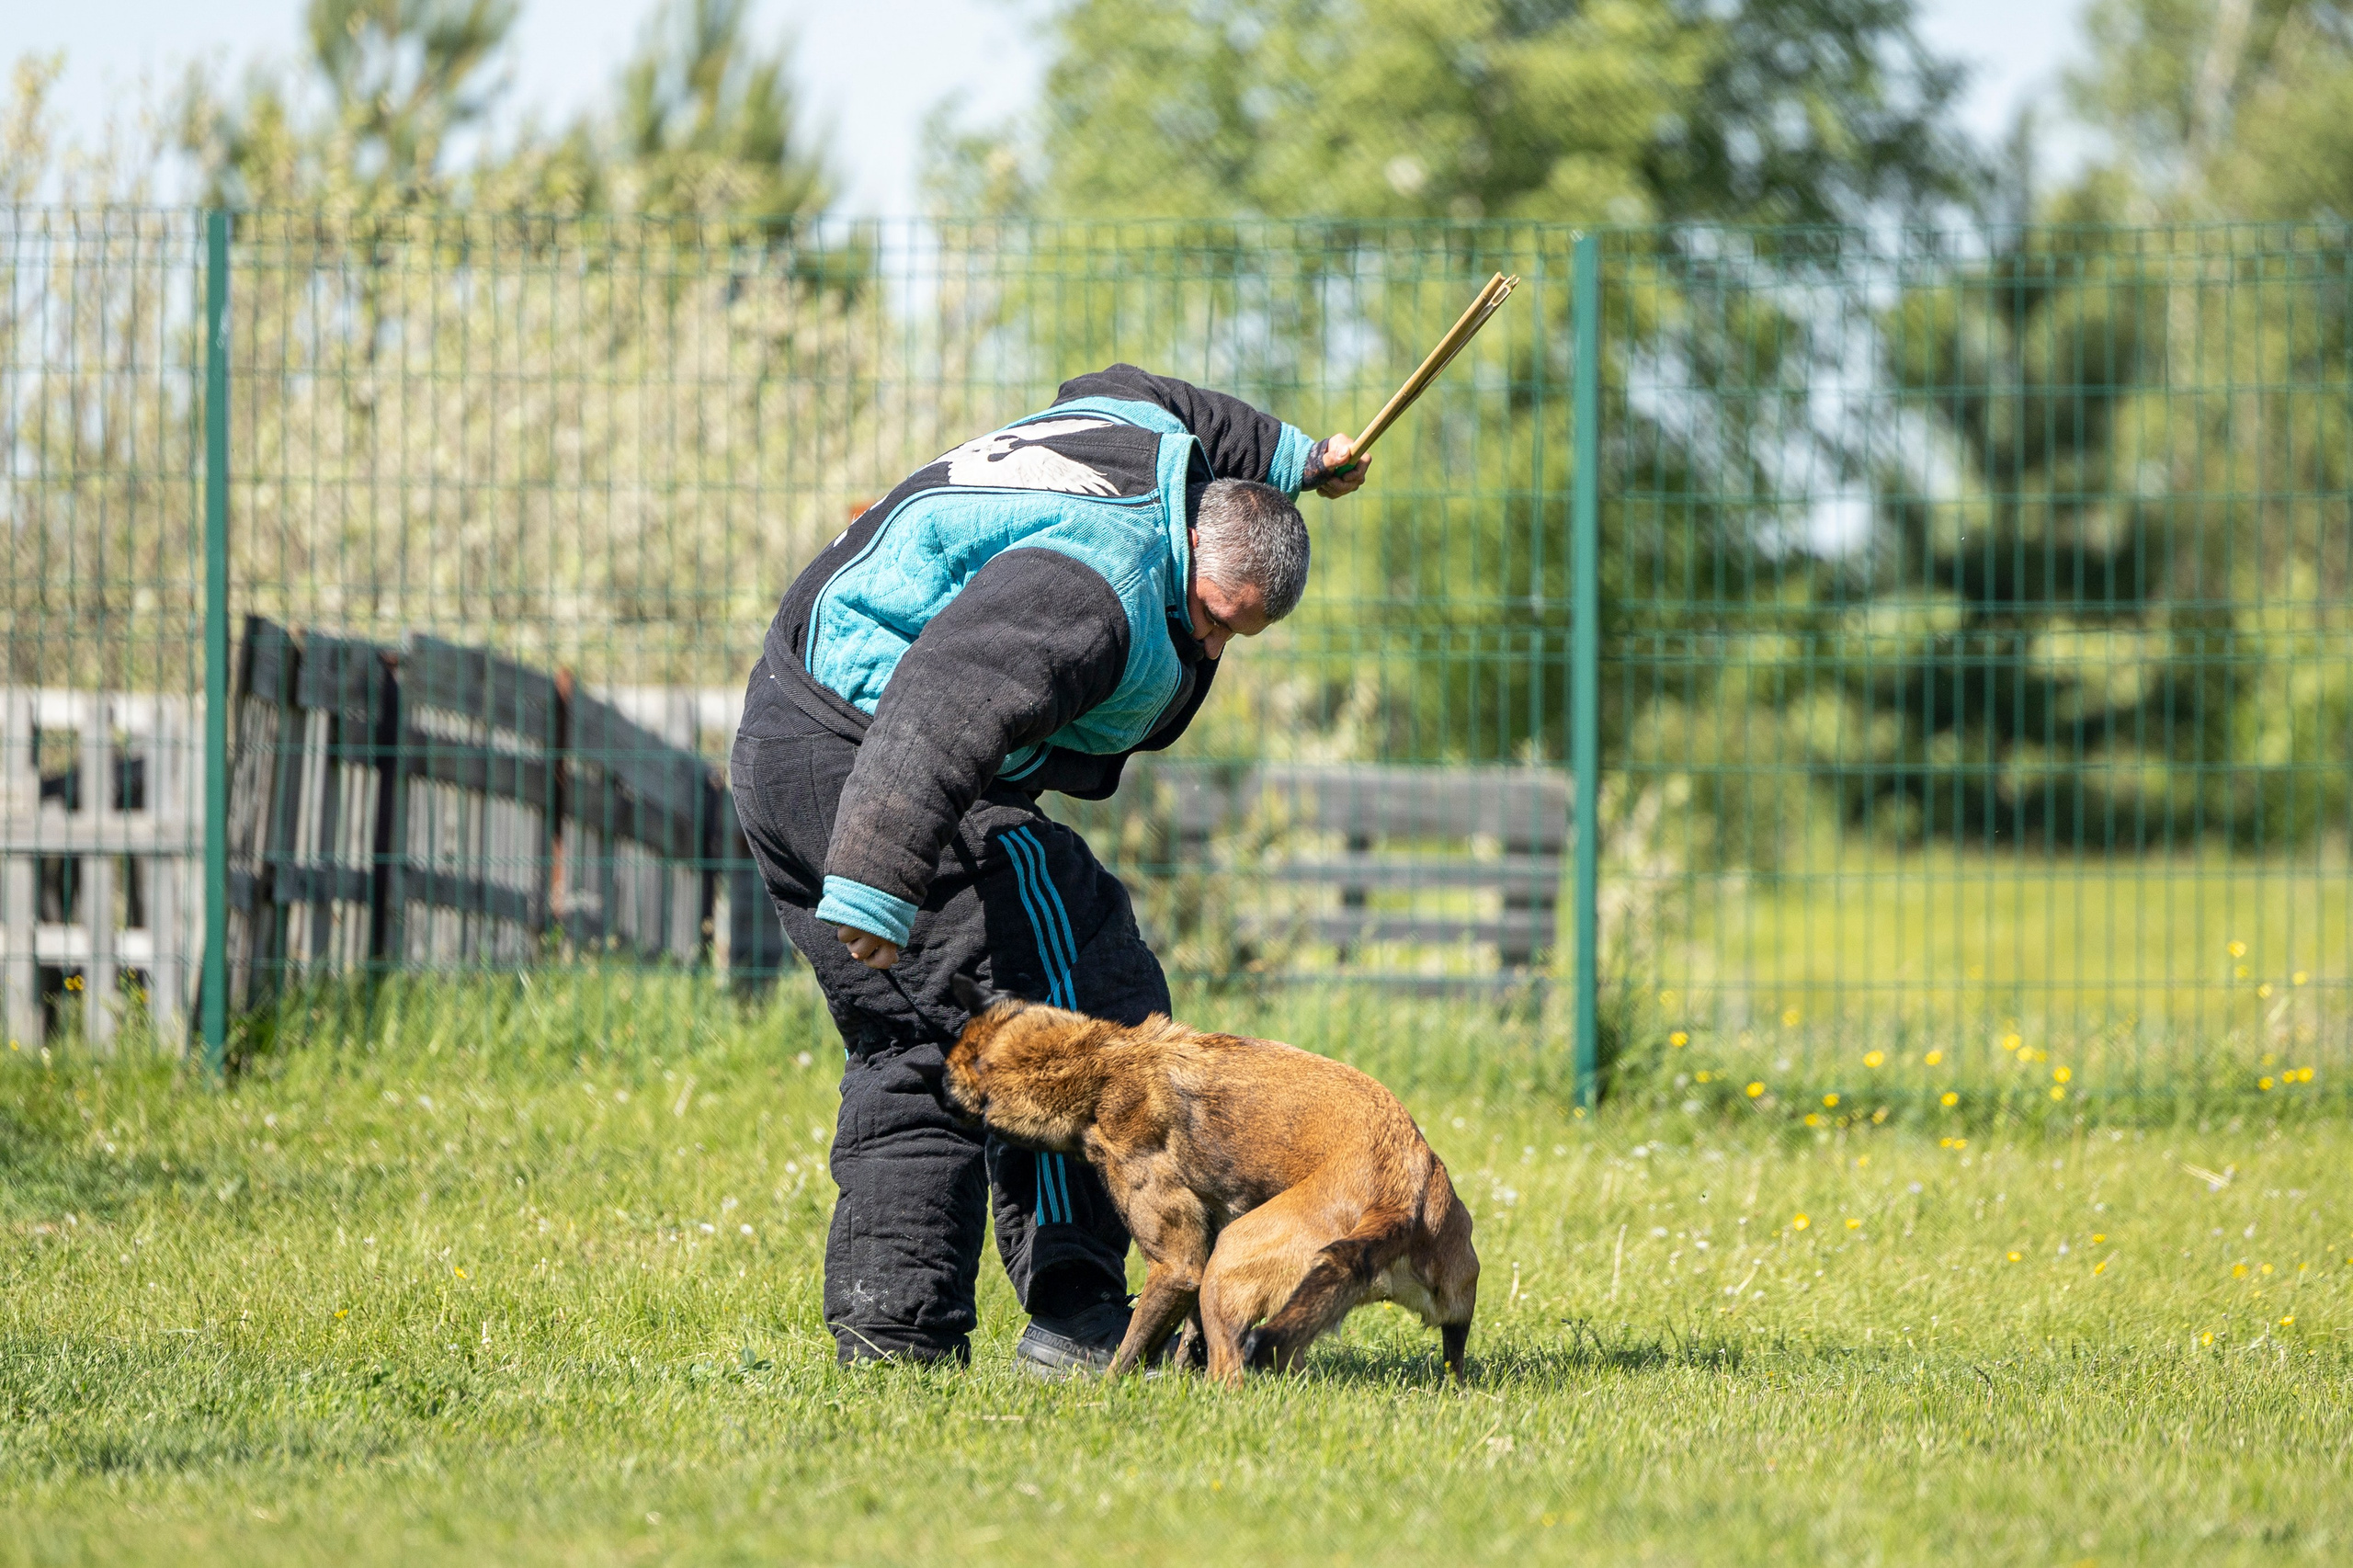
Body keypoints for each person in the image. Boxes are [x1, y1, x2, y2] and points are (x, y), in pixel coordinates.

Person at [729, 364, 1367, 1372]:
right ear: (1193, 542)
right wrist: (877, 877)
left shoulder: (1133, 437)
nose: (1205, 641)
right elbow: (947, 697)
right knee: (1087, 1003)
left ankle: (892, 1337)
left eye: (1231, 635)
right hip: (874, 762)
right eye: (1209, 615)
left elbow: (1146, 387)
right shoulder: (1093, 588)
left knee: (920, 1037)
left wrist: (1292, 455)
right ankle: (1080, 1314)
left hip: (787, 732)